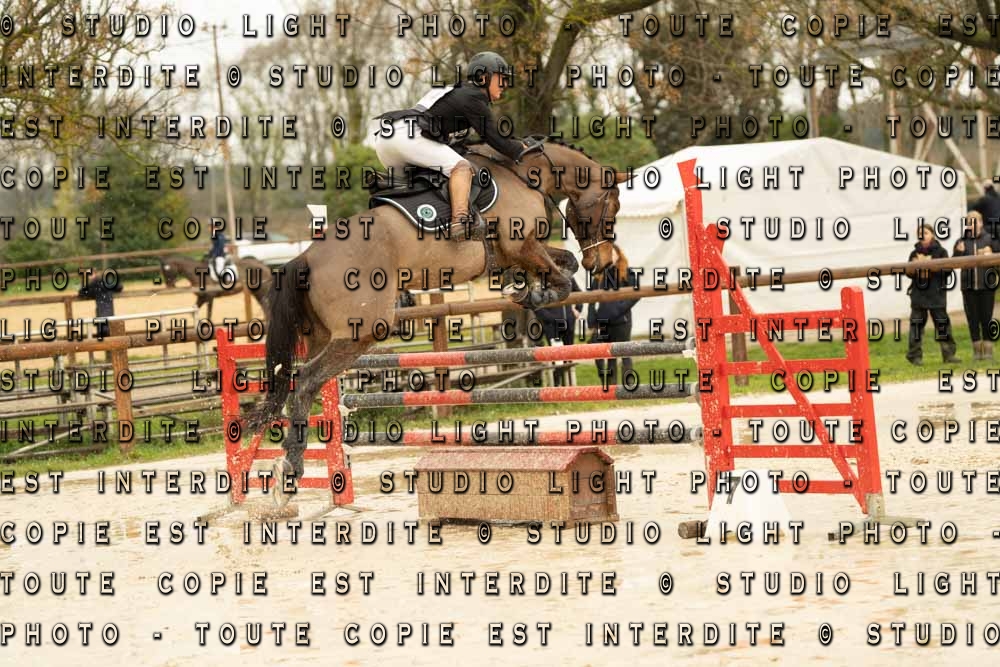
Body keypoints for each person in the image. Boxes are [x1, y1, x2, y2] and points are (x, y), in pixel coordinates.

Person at [371, 51, 533, 227]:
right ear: (483, 77)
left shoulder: (457, 92)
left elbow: (466, 139)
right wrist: (521, 150)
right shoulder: (474, 97)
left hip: (387, 139)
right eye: (501, 78)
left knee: (422, 184)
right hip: (407, 137)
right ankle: (459, 222)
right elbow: (494, 138)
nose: (505, 84)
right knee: (462, 168)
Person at [906, 224, 960, 366]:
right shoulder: (913, 253)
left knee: (943, 326)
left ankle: (949, 355)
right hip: (919, 295)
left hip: (936, 294)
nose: (922, 236)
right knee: (916, 328)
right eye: (920, 233)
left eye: (925, 232)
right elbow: (908, 273)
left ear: (932, 235)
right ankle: (914, 356)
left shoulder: (941, 252)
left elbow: (948, 271)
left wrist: (930, 265)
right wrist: (916, 266)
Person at [953, 210, 1000, 360]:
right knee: (972, 319)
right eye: (969, 222)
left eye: (975, 221)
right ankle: (977, 351)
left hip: (987, 286)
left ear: (980, 223)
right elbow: (953, 262)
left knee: (987, 318)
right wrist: (959, 253)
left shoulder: (990, 239)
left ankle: (988, 351)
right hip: (968, 287)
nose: (972, 225)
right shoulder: (961, 241)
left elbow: (998, 259)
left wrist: (991, 254)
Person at [587, 271, 640, 385]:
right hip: (604, 322)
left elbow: (637, 294)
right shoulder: (599, 275)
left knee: (625, 353)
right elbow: (591, 298)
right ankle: (612, 387)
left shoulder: (626, 273)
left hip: (622, 321)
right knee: (610, 355)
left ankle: (629, 386)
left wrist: (619, 308)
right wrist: (591, 319)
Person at [532, 277, 583, 386]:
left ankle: (570, 386)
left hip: (568, 323)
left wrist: (577, 310)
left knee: (569, 356)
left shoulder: (568, 276)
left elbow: (579, 293)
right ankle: (557, 386)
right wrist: (550, 318)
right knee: (557, 358)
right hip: (552, 327)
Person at [78, 267, 123, 339]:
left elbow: (81, 293)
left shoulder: (93, 285)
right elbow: (119, 287)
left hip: (101, 315)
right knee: (110, 336)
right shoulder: (106, 282)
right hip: (110, 313)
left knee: (103, 336)